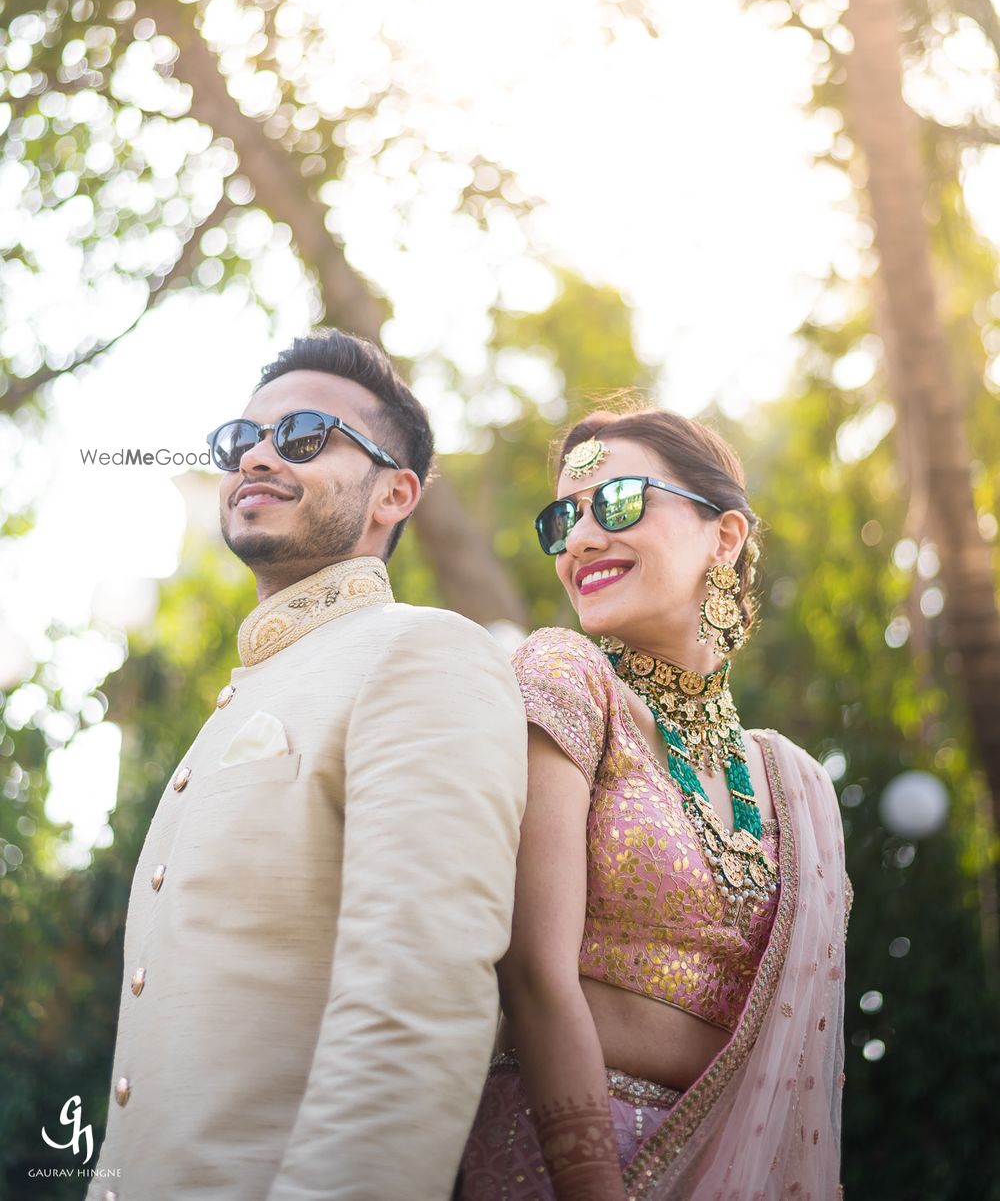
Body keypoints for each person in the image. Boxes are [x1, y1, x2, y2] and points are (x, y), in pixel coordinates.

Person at [87, 329, 527, 1201]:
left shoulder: (425, 652)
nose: (255, 455)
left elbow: (415, 1009)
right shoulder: (242, 700)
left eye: (301, 437)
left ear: (394, 493)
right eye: (239, 439)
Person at [458, 405, 851, 1201]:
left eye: (620, 502)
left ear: (725, 536)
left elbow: (808, 1066)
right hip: (559, 1159)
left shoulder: (792, 780)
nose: (580, 540)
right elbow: (533, 971)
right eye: (562, 519)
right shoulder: (568, 678)